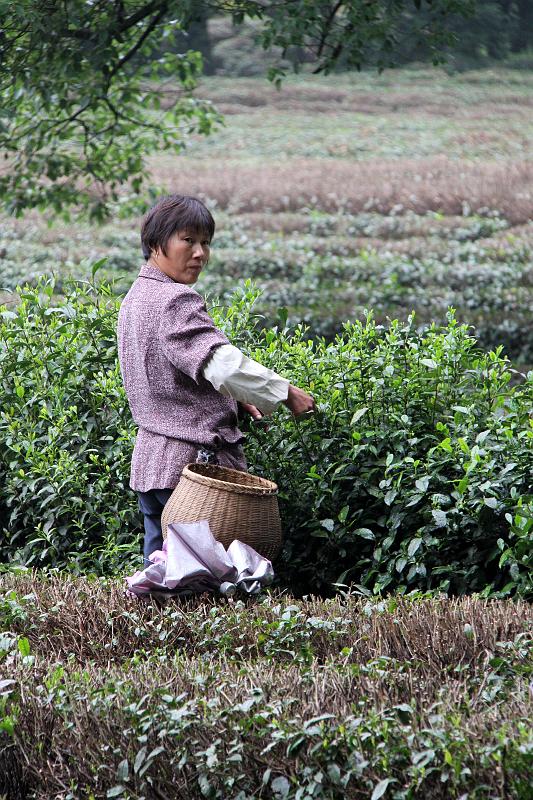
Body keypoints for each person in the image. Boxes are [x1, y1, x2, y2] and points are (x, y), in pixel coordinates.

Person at [117, 194, 315, 565]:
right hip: (191, 472)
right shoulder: (175, 300)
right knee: (209, 582)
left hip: (151, 466)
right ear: (156, 242)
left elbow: (165, 371)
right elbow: (221, 365)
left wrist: (229, 398)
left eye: (205, 242)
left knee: (161, 579)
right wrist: (285, 392)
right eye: (187, 240)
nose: (200, 253)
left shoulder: (136, 297)